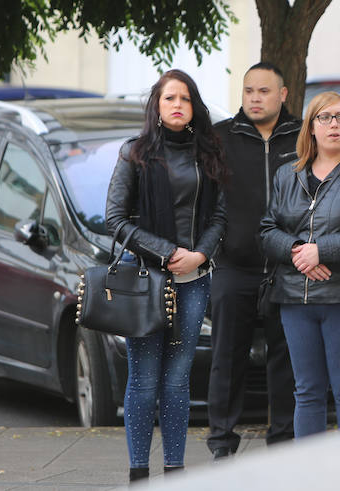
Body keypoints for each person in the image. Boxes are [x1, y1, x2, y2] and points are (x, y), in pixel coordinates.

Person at [104, 69, 226, 482]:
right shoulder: (134, 153)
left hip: (193, 281)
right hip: (144, 281)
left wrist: (199, 255)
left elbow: (220, 216)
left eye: (185, 98)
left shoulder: (207, 153)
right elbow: (115, 219)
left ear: (194, 107)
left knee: (177, 380)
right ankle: (139, 473)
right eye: (170, 98)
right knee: (143, 380)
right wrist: (168, 251)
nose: (177, 105)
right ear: (157, 106)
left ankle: (175, 471)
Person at [258, 92, 340, 437]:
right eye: (324, 117)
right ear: (311, 128)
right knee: (307, 393)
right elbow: (267, 230)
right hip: (295, 298)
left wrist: (322, 251)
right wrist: (299, 251)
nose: (334, 124)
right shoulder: (288, 174)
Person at [207, 62, 298, 459]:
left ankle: (283, 440)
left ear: (283, 95)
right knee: (227, 357)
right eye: (249, 91)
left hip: (288, 266)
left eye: (264, 91)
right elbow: (207, 201)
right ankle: (222, 443)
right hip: (234, 265)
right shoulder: (221, 137)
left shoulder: (303, 135)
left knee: (287, 359)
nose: (255, 98)